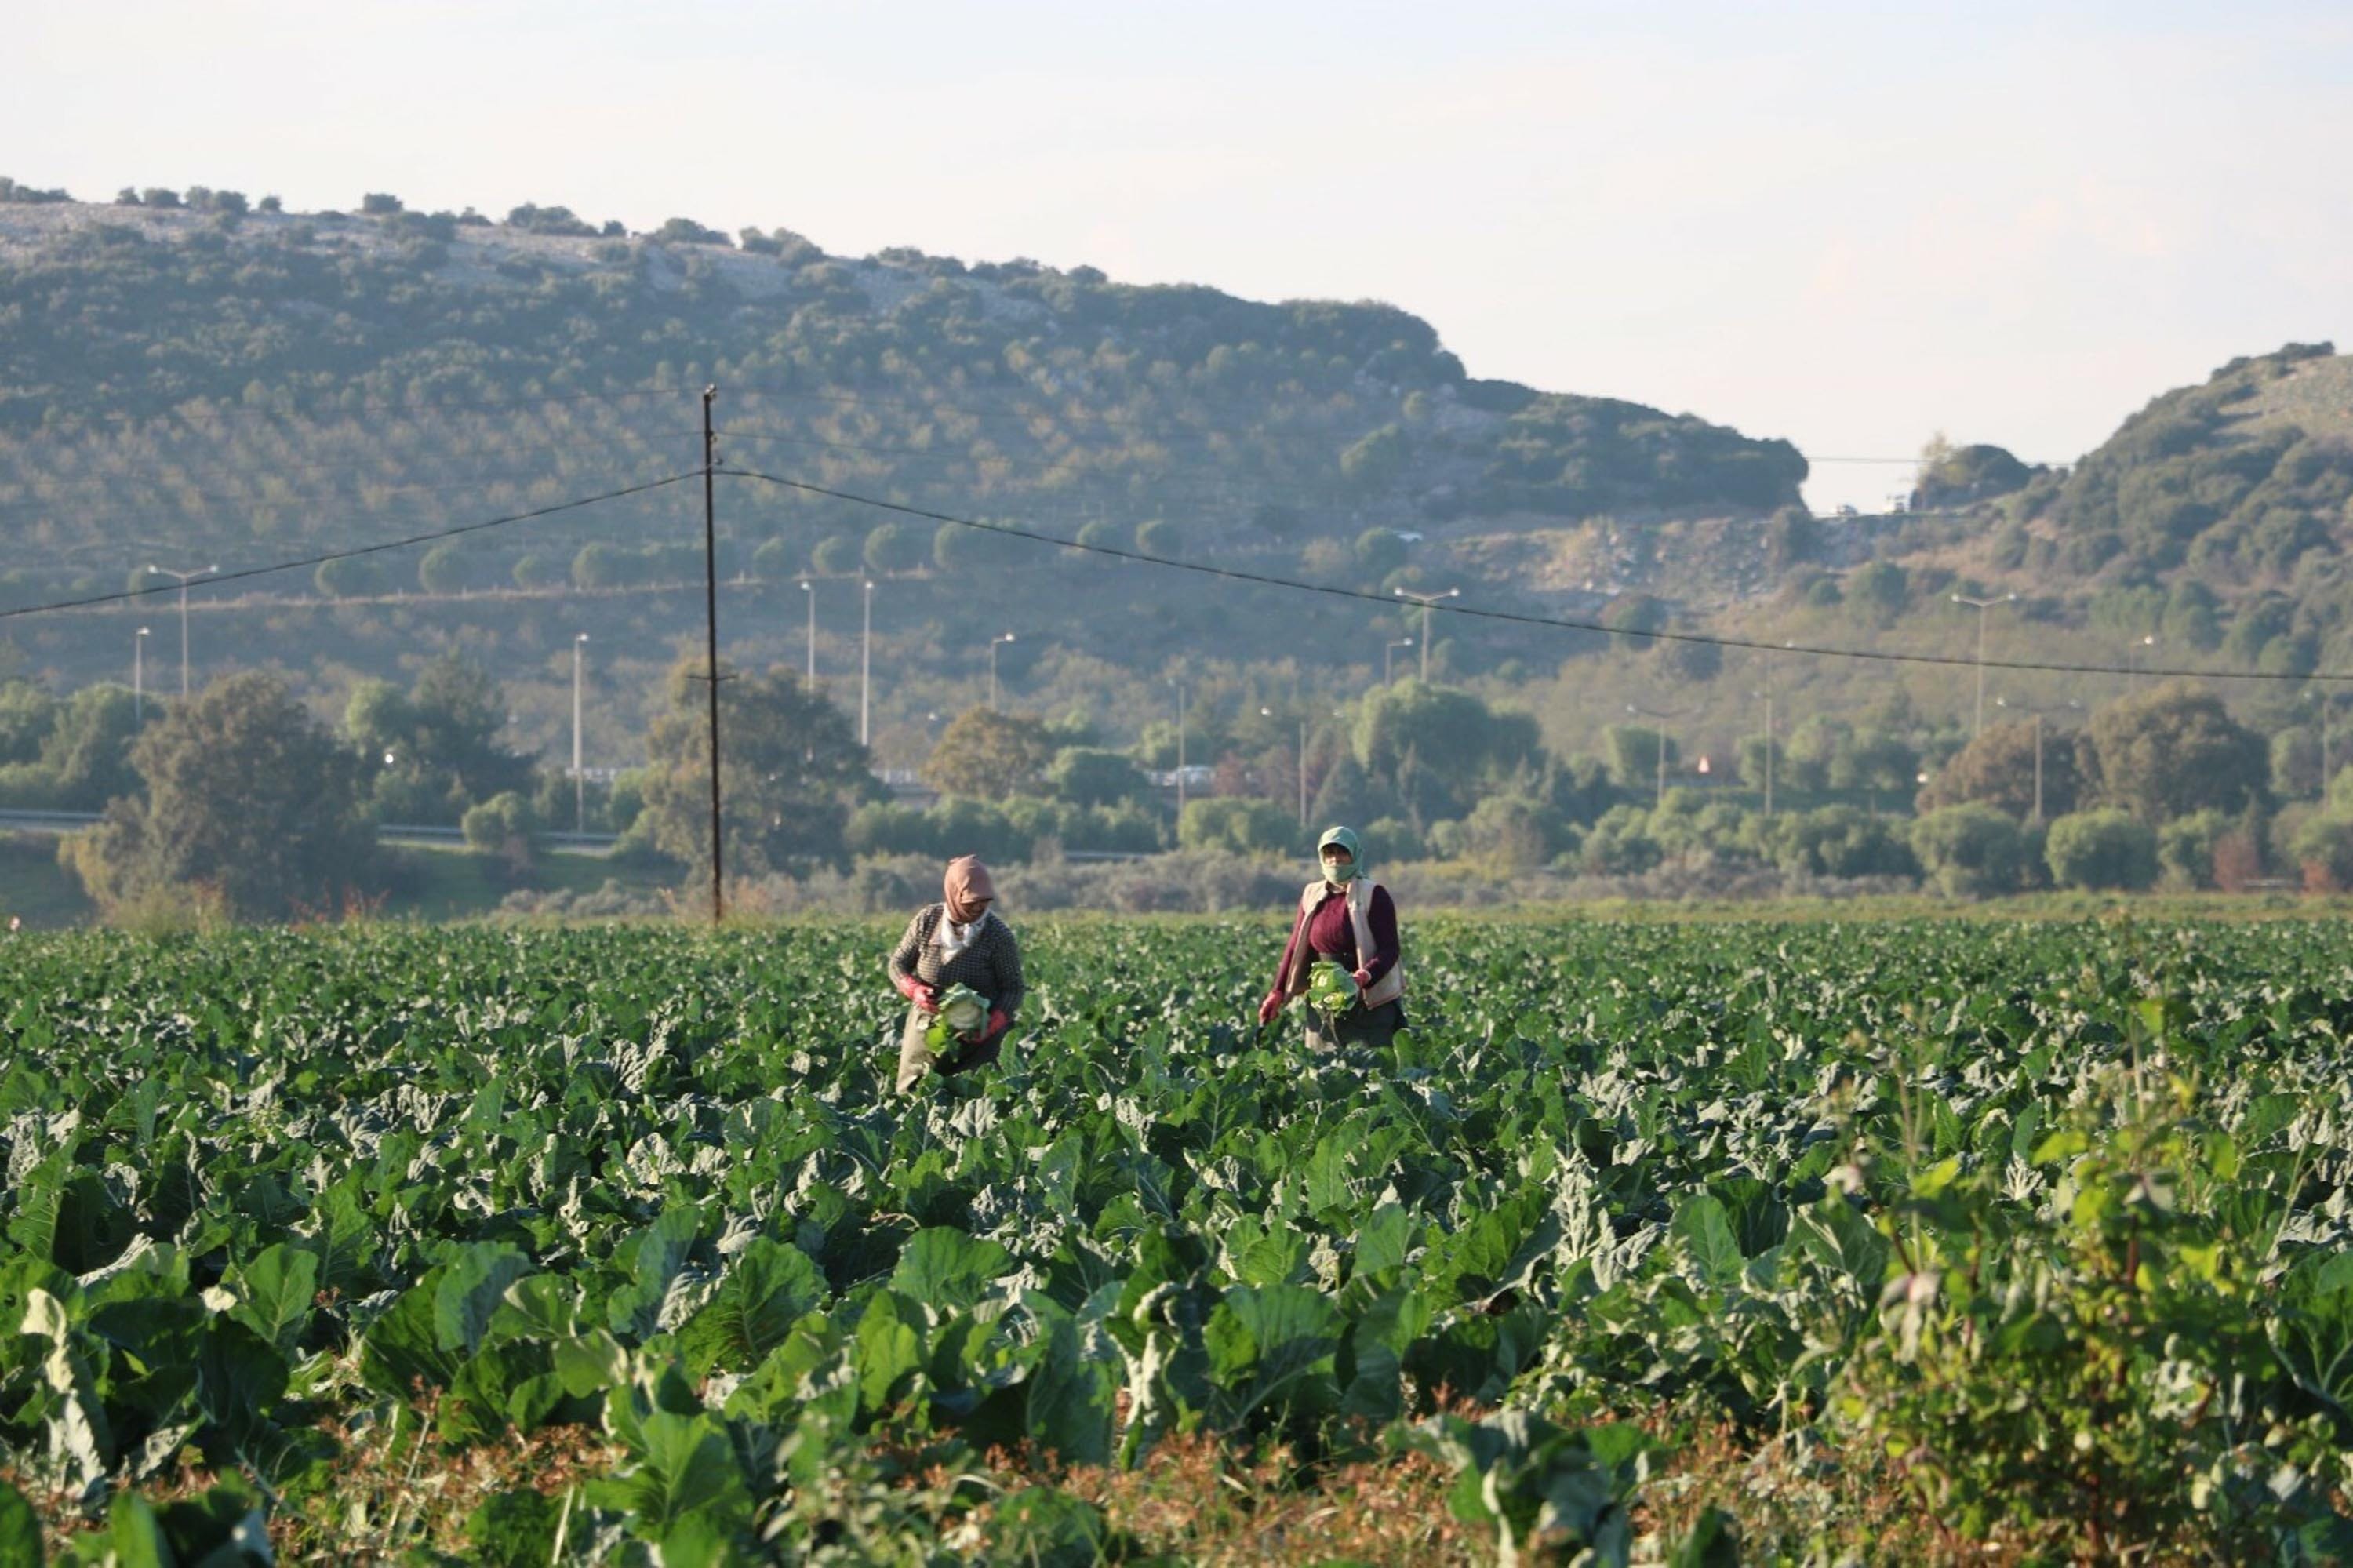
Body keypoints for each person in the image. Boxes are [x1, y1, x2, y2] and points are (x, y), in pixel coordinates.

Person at [1256, 824, 1406, 1050]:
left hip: (1368, 1001)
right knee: (1323, 1064)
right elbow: (1295, 946)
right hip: (1323, 999)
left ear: (1355, 855)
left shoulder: (1374, 894)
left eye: (1342, 853)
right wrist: (1277, 992)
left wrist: (1364, 976)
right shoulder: (1312, 894)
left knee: (1369, 1065)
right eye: (1330, 853)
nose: (1335, 860)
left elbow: (1389, 949)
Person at [888, 854, 1024, 1093]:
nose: (978, 908)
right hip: (929, 1026)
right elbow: (897, 964)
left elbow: (1013, 988)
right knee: (914, 1092)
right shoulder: (927, 921)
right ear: (953, 894)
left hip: (980, 1033)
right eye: (971, 902)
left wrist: (993, 1023)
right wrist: (914, 990)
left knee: (976, 1095)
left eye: (984, 902)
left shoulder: (998, 936)